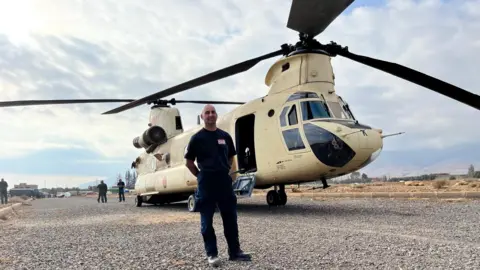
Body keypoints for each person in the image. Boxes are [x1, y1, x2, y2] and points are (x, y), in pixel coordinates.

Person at [184, 104, 251, 267]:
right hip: (206, 182)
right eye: (207, 113)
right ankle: (212, 254)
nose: (210, 115)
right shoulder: (196, 138)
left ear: (216, 115)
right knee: (207, 221)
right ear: (202, 117)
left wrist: (227, 170)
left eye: (213, 112)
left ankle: (234, 252)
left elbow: (231, 157)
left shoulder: (225, 137)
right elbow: (189, 162)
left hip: (223, 181)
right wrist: (200, 175)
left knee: (230, 218)